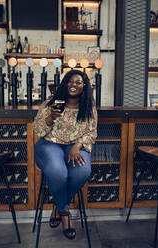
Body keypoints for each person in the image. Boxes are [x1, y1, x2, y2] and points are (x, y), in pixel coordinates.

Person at [33, 69, 97, 240]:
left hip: (74, 146)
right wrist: (50, 118)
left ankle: (58, 204)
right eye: (70, 81)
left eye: (78, 82)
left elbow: (92, 132)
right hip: (50, 144)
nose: (73, 85)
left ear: (84, 87)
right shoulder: (51, 102)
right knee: (58, 172)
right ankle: (64, 211)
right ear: (65, 83)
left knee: (82, 172)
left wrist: (77, 146)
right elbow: (38, 129)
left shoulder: (88, 107)